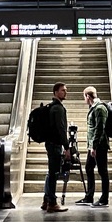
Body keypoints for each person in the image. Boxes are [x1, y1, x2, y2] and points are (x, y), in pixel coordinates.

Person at [76, 86, 109, 208]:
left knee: (102, 171)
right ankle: (89, 196)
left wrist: (94, 146)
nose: (84, 99)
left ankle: (104, 199)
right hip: (93, 146)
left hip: (99, 146)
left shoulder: (99, 108)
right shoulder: (93, 108)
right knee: (89, 168)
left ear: (88, 96)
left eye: (84, 97)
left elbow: (99, 129)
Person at [42, 82, 70, 214]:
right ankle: (52, 203)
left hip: (50, 144)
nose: (65, 92)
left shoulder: (51, 107)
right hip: (55, 145)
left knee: (51, 172)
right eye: (63, 90)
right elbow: (61, 129)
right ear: (56, 92)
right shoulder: (58, 109)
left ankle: (46, 199)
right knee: (54, 174)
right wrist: (67, 147)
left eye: (65, 90)